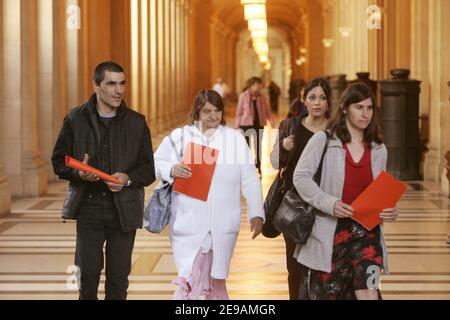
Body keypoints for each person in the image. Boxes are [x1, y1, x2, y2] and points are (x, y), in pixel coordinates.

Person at [51, 61, 155, 300]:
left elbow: (148, 170)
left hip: (124, 211)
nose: (119, 90)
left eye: (122, 83)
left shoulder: (137, 122)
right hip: (88, 208)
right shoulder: (75, 118)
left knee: (118, 282)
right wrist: (79, 173)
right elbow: (58, 161)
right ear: (96, 86)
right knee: (87, 280)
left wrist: (128, 178)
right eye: (111, 84)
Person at [154, 89, 265, 300]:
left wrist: (256, 212)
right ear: (197, 111)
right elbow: (154, 162)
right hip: (190, 223)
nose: (213, 116)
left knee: (216, 280)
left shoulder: (234, 139)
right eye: (207, 111)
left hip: (223, 223)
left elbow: (250, 177)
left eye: (217, 111)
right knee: (193, 278)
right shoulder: (182, 137)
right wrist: (171, 169)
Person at [293, 83, 400, 300]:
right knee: (331, 294)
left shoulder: (379, 149)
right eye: (359, 107)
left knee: (369, 291)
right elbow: (300, 177)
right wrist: (329, 202)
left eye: (370, 108)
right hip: (332, 233)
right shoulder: (323, 140)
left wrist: (391, 210)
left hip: (368, 237)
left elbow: (381, 191)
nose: (365, 114)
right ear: (344, 108)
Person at [270, 78, 331, 300]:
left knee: (323, 266)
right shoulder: (290, 126)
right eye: (312, 97)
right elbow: (275, 163)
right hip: (295, 207)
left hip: (326, 205)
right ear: (304, 100)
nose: (317, 103)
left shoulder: (335, 129)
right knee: (295, 267)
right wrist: (284, 150)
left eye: (322, 98)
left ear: (328, 102)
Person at [235, 77, 275, 175]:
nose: (259, 86)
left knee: (258, 146)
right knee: (246, 146)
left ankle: (258, 166)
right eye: (257, 84)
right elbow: (239, 112)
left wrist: (271, 120)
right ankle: (246, 167)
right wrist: (237, 125)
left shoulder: (262, 97)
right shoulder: (243, 96)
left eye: (260, 84)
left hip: (259, 124)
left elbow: (267, 110)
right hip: (245, 125)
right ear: (251, 85)